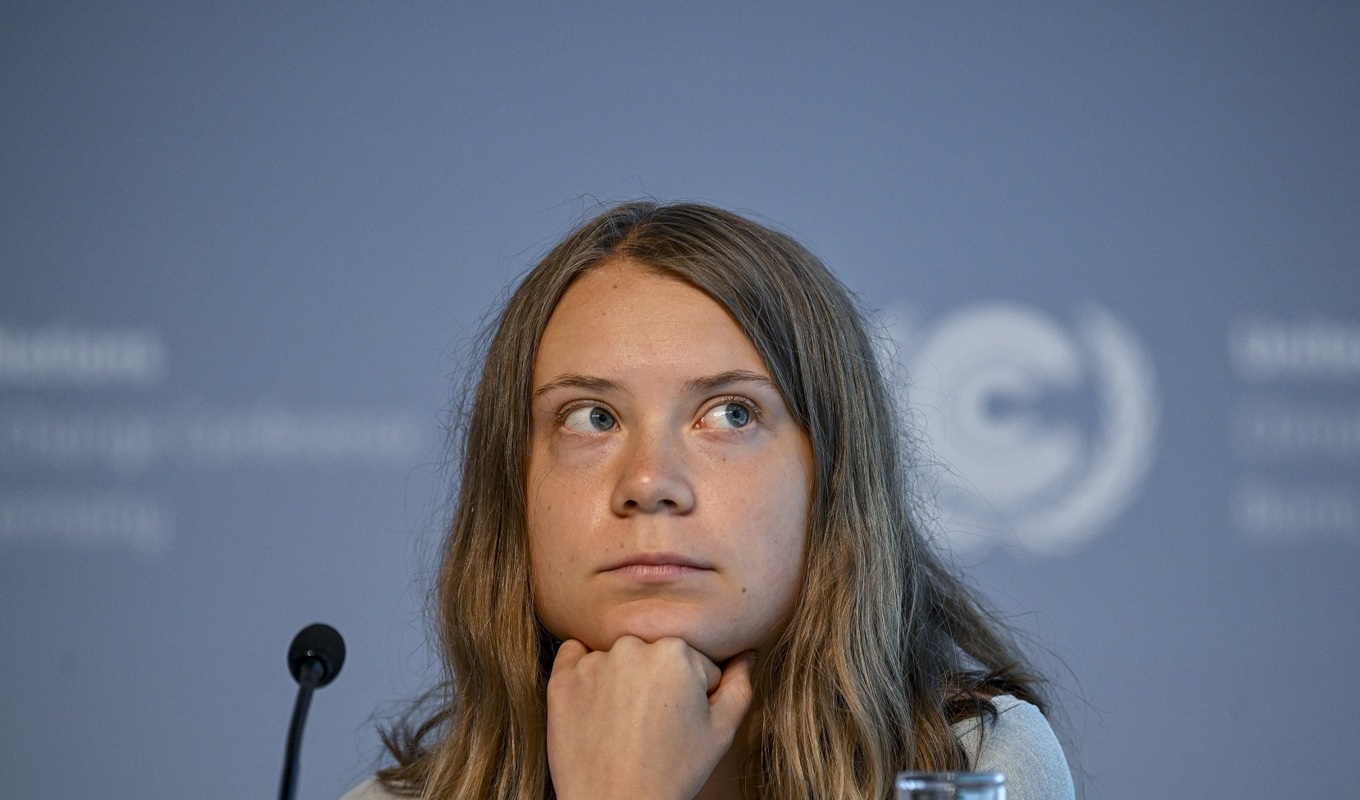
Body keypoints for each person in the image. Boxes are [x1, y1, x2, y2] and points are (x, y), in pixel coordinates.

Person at [344, 201, 1074, 800]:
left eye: (729, 414)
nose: (649, 482)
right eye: (592, 418)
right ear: (513, 490)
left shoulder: (976, 767)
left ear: (832, 480)